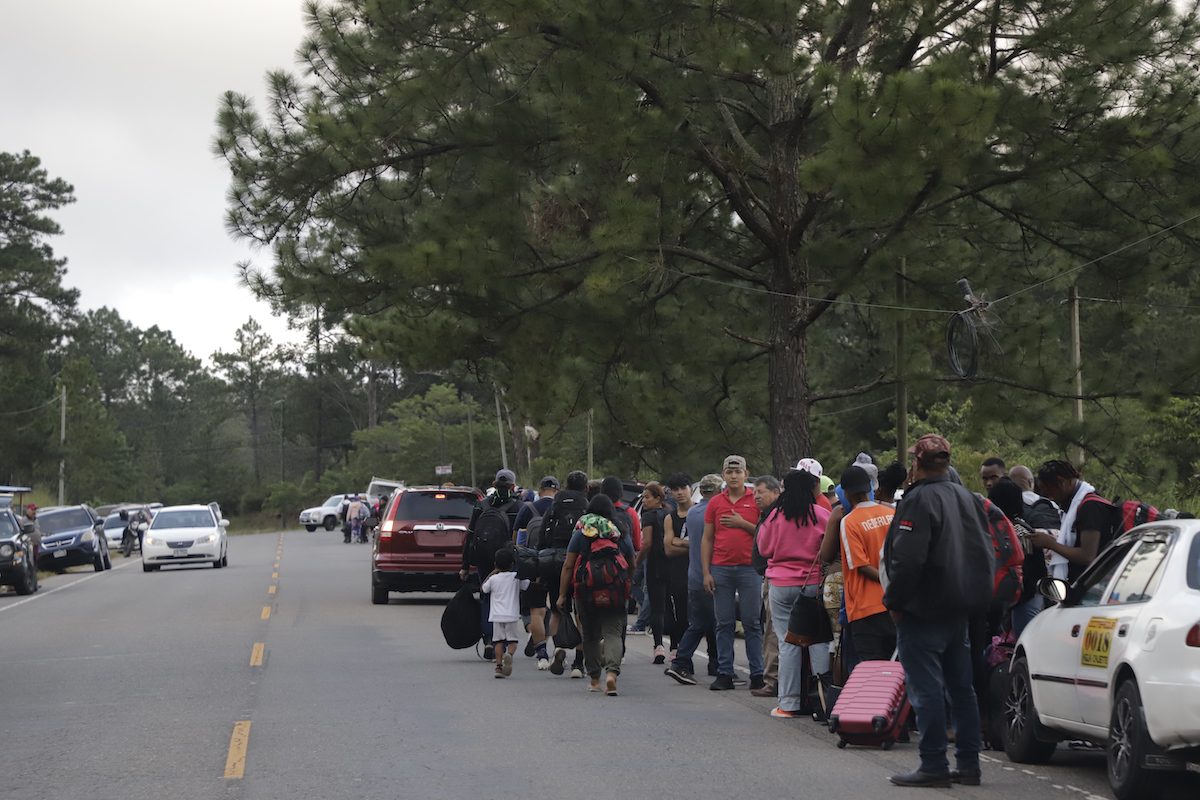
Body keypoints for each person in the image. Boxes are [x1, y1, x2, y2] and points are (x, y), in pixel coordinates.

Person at [882, 434, 995, 788]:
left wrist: (895, 602)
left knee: (926, 689)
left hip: (924, 608)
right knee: (962, 689)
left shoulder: (919, 500)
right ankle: (968, 764)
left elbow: (908, 559)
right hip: (960, 608)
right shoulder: (968, 497)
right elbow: (986, 551)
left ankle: (933, 763)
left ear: (917, 462)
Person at [756, 469, 830, 718]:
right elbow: (830, 549)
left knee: (788, 642)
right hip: (812, 583)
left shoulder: (775, 516)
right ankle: (823, 702)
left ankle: (788, 703)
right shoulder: (821, 515)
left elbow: (764, 548)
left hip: (781, 583)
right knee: (818, 641)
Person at [557, 495, 636, 695]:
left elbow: (568, 565)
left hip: (586, 589)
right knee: (612, 633)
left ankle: (594, 679)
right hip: (615, 589)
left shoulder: (582, 531)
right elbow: (631, 561)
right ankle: (611, 674)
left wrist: (562, 594)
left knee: (590, 635)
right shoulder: (619, 531)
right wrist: (628, 583)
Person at [702, 455, 766, 692]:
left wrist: (742, 524)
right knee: (724, 623)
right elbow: (707, 539)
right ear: (723, 475)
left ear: (746, 474)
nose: (734, 476)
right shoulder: (716, 503)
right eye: (729, 472)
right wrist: (706, 571)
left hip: (750, 568)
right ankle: (725, 672)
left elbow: (765, 533)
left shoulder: (756, 499)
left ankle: (758, 673)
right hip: (721, 567)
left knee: (752, 622)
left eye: (738, 472)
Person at [664, 474, 722, 685]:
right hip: (711, 574)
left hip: (693, 574)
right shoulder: (714, 512)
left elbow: (675, 544)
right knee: (714, 623)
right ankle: (717, 665)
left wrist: (681, 543)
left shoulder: (692, 513)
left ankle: (682, 662)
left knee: (700, 622)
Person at [460, 469, 521, 662]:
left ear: (494, 485)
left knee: (486, 597)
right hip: (508, 558)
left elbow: (470, 536)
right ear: (513, 486)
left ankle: (489, 640)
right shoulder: (519, 507)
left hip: (483, 558)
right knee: (508, 599)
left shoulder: (481, 505)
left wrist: (465, 565)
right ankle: (505, 642)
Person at [839, 466, 896, 665]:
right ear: (870, 487)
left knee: (871, 673)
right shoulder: (890, 513)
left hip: (865, 609)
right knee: (896, 673)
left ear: (845, 493)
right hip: (894, 604)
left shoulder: (849, 522)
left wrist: (885, 579)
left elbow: (860, 565)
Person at [1032, 460, 1119, 583]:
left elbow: (1087, 556)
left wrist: (1051, 544)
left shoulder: (1090, 507)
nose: (1050, 497)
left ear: (1061, 482)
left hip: (1093, 585)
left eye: (1049, 491)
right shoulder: (1074, 504)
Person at [1007, 465, 1061, 635]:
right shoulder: (1052, 505)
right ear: (1031, 482)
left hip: (1027, 583)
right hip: (1056, 575)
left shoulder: (1011, 507)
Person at [515, 476, 559, 669]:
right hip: (558, 562)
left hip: (535, 562)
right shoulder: (562, 509)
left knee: (537, 611)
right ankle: (559, 650)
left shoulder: (528, 509)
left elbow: (518, 540)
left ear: (540, 491)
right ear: (557, 491)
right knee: (558, 611)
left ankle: (541, 654)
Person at [750, 474, 782, 698]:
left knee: (773, 630)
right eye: (754, 493)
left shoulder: (777, 516)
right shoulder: (768, 514)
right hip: (769, 575)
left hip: (778, 577)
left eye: (760, 492)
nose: (756, 497)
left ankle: (772, 680)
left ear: (775, 492)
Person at [637, 482, 672, 664]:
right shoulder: (670, 513)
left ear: (658, 498)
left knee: (658, 608)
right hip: (673, 562)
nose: (644, 501)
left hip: (655, 564)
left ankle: (658, 646)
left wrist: (637, 561)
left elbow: (647, 543)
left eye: (647, 497)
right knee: (673, 606)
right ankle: (675, 646)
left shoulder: (649, 516)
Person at [481, 548, 530, 678]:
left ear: (495, 564)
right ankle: (509, 655)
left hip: (497, 615)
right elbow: (527, 585)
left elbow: (483, 589)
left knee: (498, 641)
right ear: (512, 564)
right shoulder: (516, 578)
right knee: (512, 641)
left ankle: (498, 666)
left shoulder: (494, 579)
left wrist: (493, 573)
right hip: (512, 614)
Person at [661, 472, 693, 663]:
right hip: (677, 573)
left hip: (698, 570)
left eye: (683, 488)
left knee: (702, 616)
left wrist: (680, 542)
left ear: (690, 489)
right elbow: (668, 549)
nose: (680, 493)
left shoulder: (700, 513)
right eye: (676, 490)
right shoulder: (670, 518)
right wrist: (691, 544)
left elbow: (704, 545)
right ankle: (679, 651)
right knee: (679, 614)